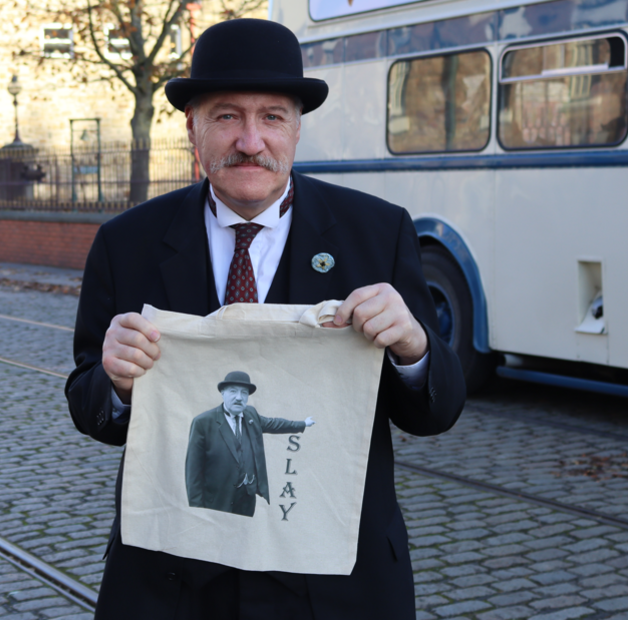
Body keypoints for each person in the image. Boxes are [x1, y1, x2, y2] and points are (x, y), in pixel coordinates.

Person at [65, 17, 467, 620]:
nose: (250, 141)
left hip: (333, 581)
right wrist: (115, 383)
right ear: (192, 128)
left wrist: (414, 350)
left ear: (297, 130)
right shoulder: (128, 243)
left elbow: (433, 414)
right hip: (174, 582)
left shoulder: (376, 233)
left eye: (272, 117)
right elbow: (89, 404)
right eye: (227, 115)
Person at [185, 371, 314, 517]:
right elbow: (193, 471)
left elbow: (274, 424)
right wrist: (196, 510)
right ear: (222, 392)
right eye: (233, 391)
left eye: (244, 393)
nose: (239, 398)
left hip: (247, 497)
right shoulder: (203, 422)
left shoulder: (251, 414)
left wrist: (303, 424)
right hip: (218, 500)